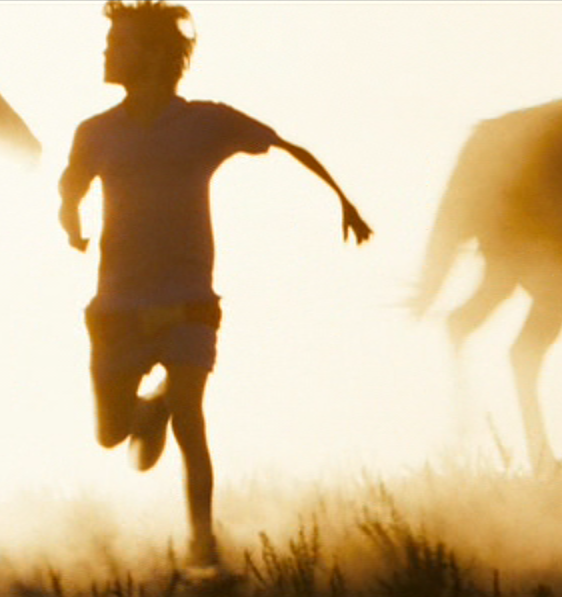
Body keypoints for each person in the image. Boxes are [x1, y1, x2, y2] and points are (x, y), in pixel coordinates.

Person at [57, 0, 373, 570]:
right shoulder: (95, 132)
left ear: (155, 55)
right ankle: (146, 410)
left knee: (190, 418)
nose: (106, 53)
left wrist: (343, 201)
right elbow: (70, 188)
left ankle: (202, 546)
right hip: (118, 306)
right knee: (111, 434)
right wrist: (72, 225)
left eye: (119, 44)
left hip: (189, 302)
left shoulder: (208, 123)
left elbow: (286, 145)